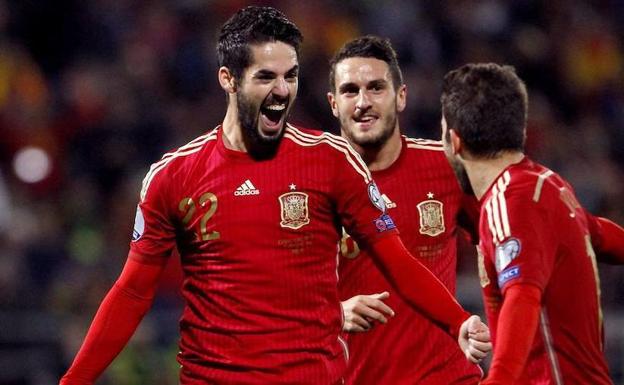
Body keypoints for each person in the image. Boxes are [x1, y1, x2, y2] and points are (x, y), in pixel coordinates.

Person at [59, 7, 491, 385]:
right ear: (228, 79)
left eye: (290, 76)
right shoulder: (174, 176)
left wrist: (457, 322)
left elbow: (397, 262)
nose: (282, 90)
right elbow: (133, 292)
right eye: (265, 77)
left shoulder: (331, 161)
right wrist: (75, 380)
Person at [440, 62, 624, 384]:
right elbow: (596, 232)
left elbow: (522, 295)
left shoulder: (509, 200)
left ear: (455, 141)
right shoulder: (548, 185)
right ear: (520, 131)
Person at [326, 36, 484, 385]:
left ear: (401, 97)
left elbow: (503, 241)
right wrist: (334, 313)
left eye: (376, 88)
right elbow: (272, 301)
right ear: (334, 103)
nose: (363, 102)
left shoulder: (449, 168)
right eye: (350, 90)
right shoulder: (308, 187)